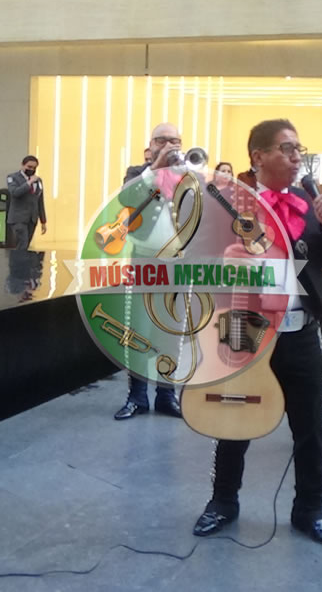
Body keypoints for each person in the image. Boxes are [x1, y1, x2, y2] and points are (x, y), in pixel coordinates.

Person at [193, 119, 322, 547]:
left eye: (299, 148)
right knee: (235, 414)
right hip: (243, 324)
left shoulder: (314, 204)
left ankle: (311, 509)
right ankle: (223, 501)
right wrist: (227, 261)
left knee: (312, 423)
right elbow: (199, 262)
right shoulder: (231, 204)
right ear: (258, 156)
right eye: (286, 148)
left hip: (300, 328)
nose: (296, 155)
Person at [113, 122, 184, 420]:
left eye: (174, 140)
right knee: (139, 330)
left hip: (176, 265)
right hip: (144, 262)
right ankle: (137, 396)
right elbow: (127, 199)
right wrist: (156, 167)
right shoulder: (136, 173)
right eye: (162, 140)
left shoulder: (188, 175)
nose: (169, 145)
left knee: (170, 332)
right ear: (151, 144)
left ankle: (167, 395)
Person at [5, 155, 47, 251]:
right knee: (22, 243)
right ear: (22, 165)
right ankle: (19, 264)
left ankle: (22, 263)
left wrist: (43, 221)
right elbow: (15, 192)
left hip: (32, 219)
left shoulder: (38, 181)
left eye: (34, 168)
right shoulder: (12, 178)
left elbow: (40, 201)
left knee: (26, 244)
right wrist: (29, 183)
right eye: (29, 167)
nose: (31, 169)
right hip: (18, 218)